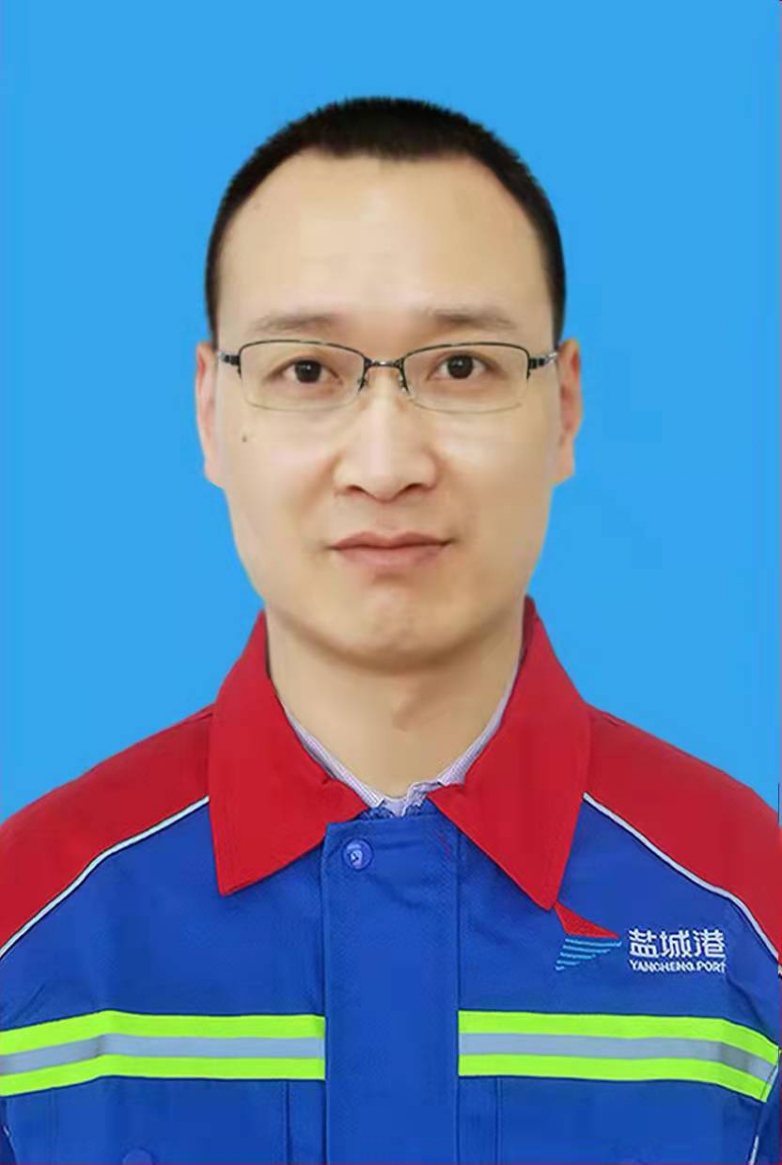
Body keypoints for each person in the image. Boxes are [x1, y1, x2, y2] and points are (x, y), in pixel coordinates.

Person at [0, 95, 778, 1165]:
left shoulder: (750, 907)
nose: (384, 464)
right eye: (305, 370)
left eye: (461, 366)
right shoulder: (29, 921)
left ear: (563, 407)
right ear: (209, 411)